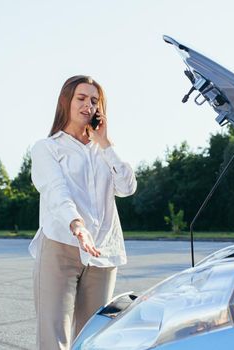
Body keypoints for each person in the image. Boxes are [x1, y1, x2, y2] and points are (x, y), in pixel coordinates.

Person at [29, 75, 137, 350]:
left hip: (102, 251)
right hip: (61, 246)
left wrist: (106, 144)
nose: (88, 105)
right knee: (54, 339)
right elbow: (56, 191)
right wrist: (77, 225)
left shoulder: (102, 150)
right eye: (81, 98)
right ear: (66, 101)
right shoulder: (47, 148)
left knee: (94, 339)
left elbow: (127, 187)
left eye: (94, 100)